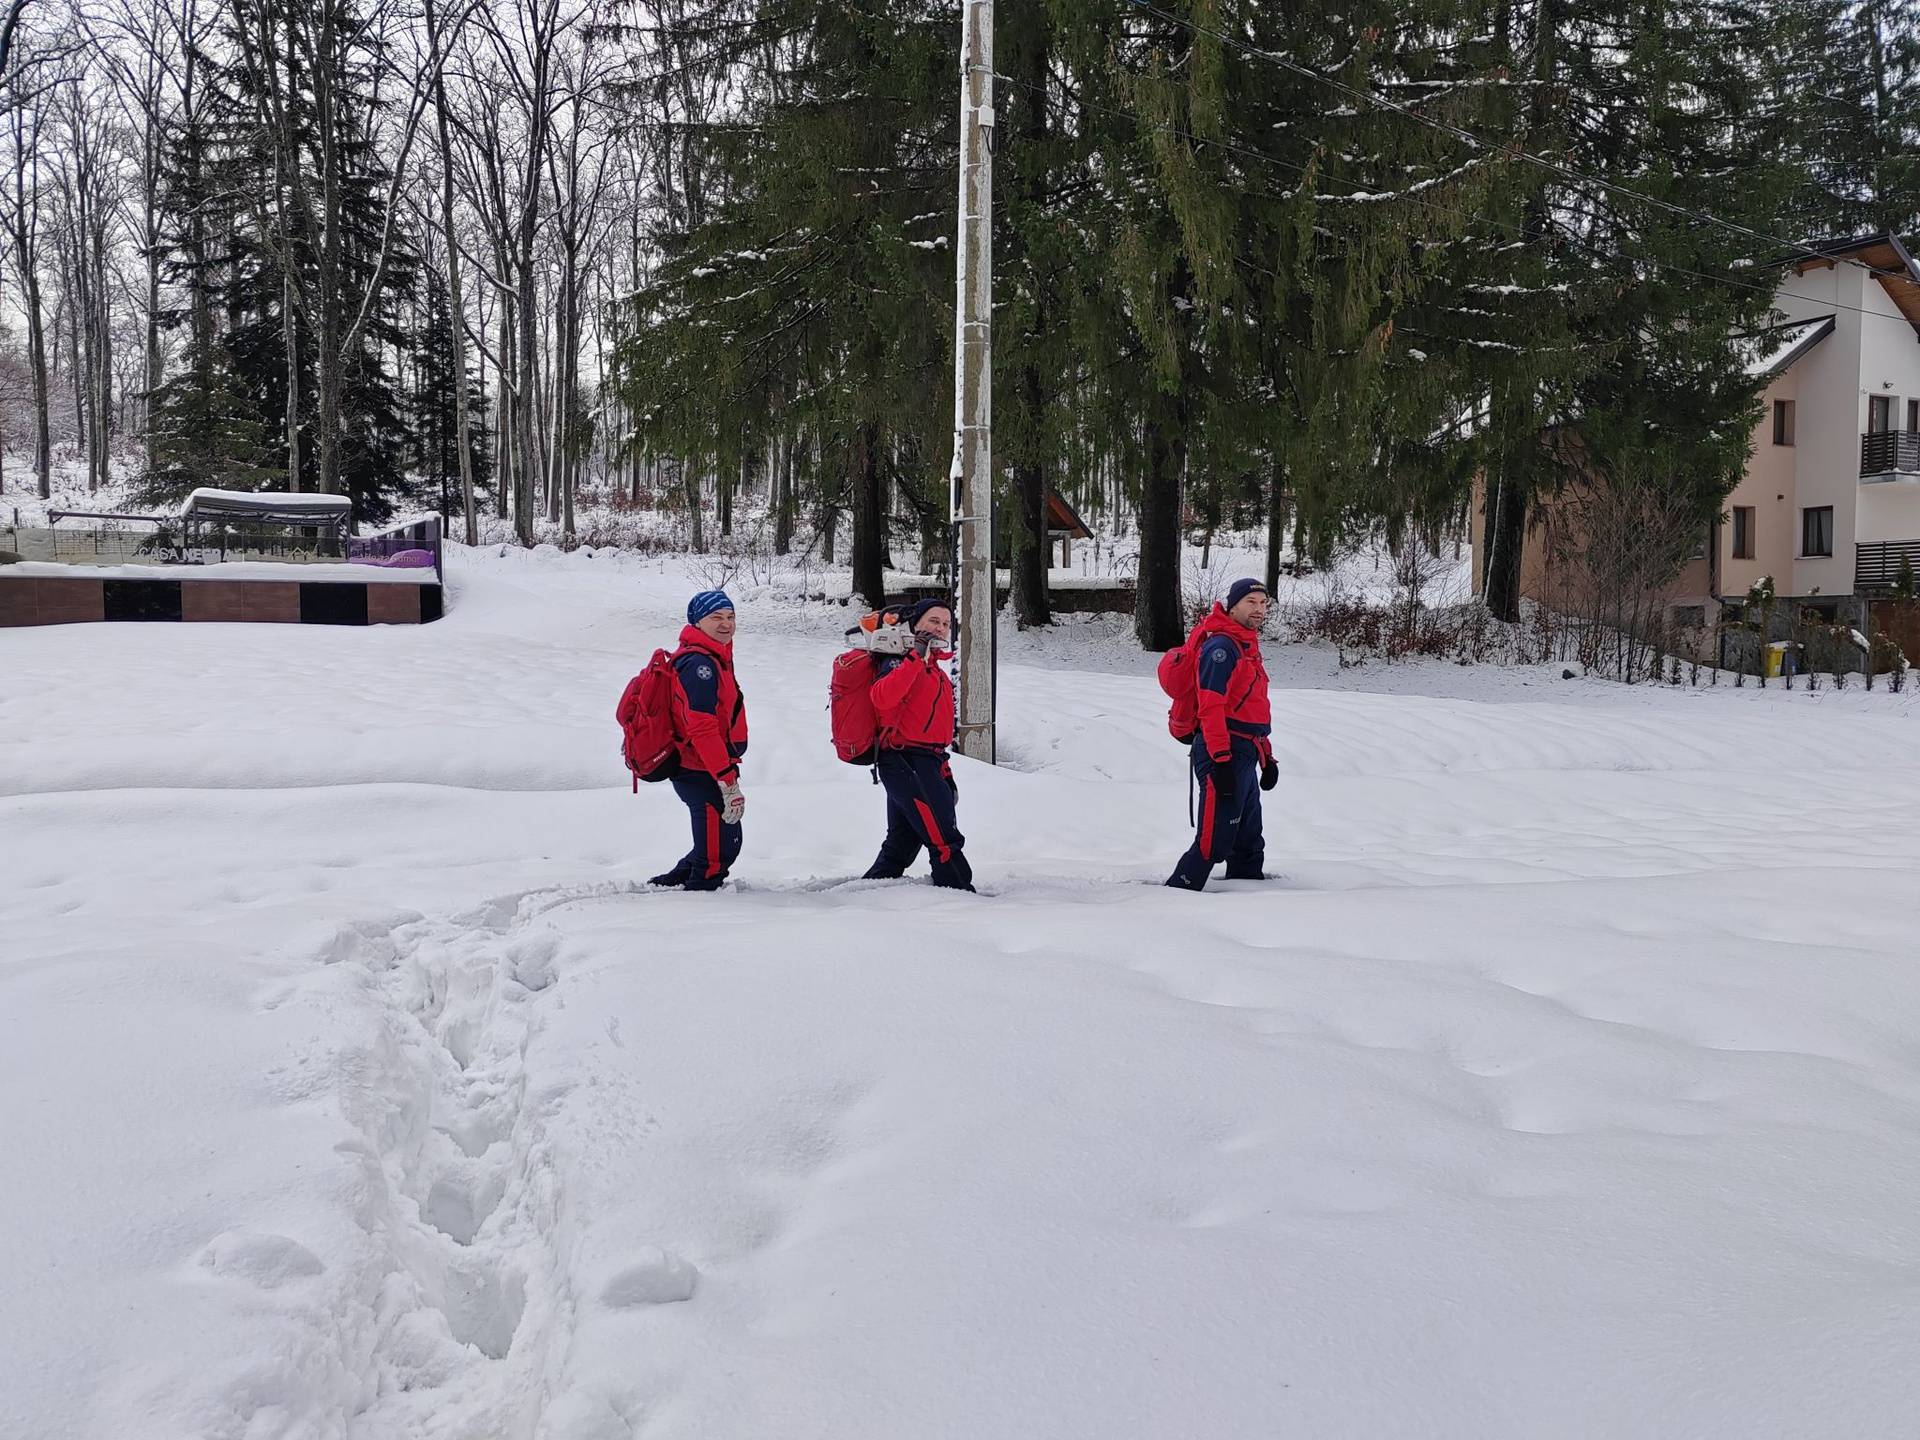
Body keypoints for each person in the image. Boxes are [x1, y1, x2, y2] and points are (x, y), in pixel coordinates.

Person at [1167, 578, 1277, 891]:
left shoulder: (1246, 643)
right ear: (1233, 606)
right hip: (1224, 750)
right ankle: (1176, 896)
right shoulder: (1221, 648)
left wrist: (1266, 756)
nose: (1258, 609)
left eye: (1262, 603)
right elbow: (1210, 706)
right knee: (1213, 840)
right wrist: (1222, 759)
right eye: (1250, 602)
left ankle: (1247, 900)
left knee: (1248, 839)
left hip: (1247, 749)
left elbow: (1253, 708)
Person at [860, 597, 975, 891]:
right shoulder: (899, 659)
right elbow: (881, 698)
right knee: (943, 838)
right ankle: (961, 895)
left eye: (946, 624)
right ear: (916, 624)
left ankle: (865, 895)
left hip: (928, 761)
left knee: (903, 840)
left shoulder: (933, 667)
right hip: (905, 760)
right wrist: (914, 658)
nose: (940, 629)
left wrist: (944, 770)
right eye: (933, 622)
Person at [650, 589, 749, 890]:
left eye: (730, 617)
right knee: (719, 852)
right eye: (715, 617)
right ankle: (698, 904)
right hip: (700, 767)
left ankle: (673, 881)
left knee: (720, 841)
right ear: (697, 622)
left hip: (706, 765)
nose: (726, 624)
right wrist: (726, 779)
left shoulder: (714, 656)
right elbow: (702, 727)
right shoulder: (700, 665)